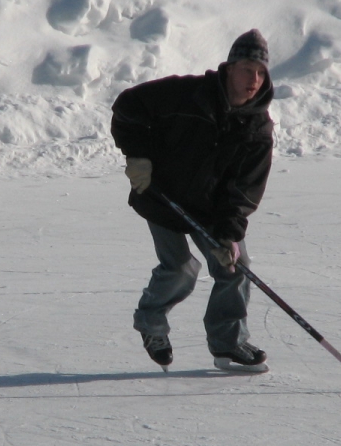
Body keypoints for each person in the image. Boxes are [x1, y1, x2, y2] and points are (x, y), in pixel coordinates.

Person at [111, 29, 275, 372]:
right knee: (181, 269)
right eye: (247, 69)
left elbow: (245, 190)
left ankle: (228, 343)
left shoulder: (257, 128)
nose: (254, 79)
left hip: (212, 208)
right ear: (229, 68)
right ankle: (151, 324)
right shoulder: (186, 94)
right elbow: (128, 106)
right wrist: (138, 157)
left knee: (234, 268)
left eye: (261, 72)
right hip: (162, 195)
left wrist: (229, 232)